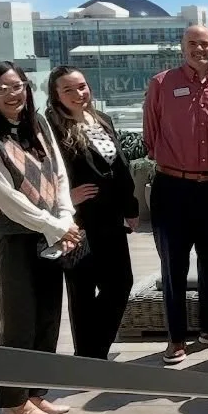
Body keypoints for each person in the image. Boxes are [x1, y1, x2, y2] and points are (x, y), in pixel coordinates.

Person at [0, 61, 79, 414]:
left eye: (18, 86)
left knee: (48, 318)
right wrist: (53, 225)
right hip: (16, 238)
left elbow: (59, 173)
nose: (13, 94)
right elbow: (6, 197)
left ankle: (34, 395)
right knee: (19, 320)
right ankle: (13, 405)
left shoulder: (39, 124)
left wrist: (64, 216)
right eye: (3, 88)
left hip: (51, 234)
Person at [142, 23, 208, 364]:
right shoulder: (162, 84)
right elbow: (150, 134)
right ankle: (176, 336)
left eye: (205, 43)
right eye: (192, 43)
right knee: (174, 264)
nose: (199, 48)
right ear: (182, 47)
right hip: (173, 187)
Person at [45, 66, 139, 362]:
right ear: (56, 94)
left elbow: (120, 166)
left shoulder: (101, 119)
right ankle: (89, 355)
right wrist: (66, 198)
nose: (78, 94)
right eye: (68, 90)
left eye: (82, 87)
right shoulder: (51, 126)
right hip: (78, 219)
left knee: (120, 283)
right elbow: (42, 171)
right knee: (82, 290)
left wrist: (130, 208)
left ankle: (93, 350)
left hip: (110, 216)